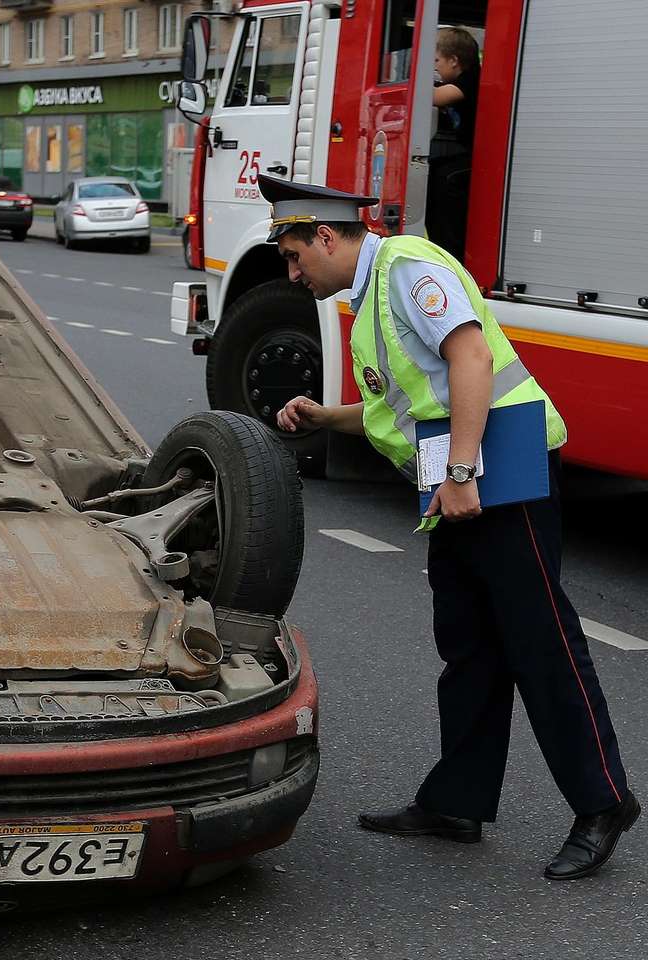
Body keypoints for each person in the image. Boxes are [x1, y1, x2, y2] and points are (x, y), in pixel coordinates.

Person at [258, 173, 638, 881]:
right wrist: (325, 417)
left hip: (503, 470)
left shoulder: (409, 267)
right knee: (470, 647)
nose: (292, 271)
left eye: (293, 255)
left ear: (328, 236)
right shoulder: (369, 296)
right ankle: (458, 802)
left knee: (541, 642)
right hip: (459, 478)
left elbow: (471, 357)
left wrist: (463, 474)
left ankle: (604, 801)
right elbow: (406, 403)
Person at [426, 27, 480, 259]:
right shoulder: (462, 79)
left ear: (454, 61)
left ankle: (451, 251)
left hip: (480, 157)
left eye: (437, 60)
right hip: (469, 153)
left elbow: (435, 97)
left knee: (444, 178)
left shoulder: (471, 79)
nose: (435, 66)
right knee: (436, 171)